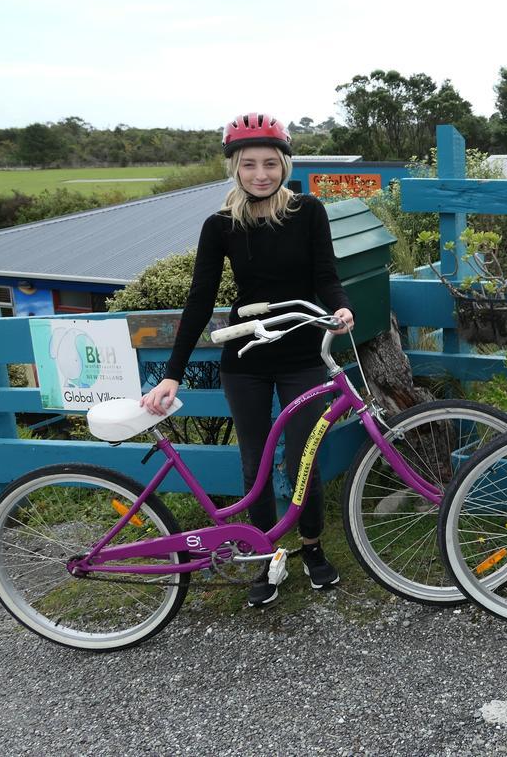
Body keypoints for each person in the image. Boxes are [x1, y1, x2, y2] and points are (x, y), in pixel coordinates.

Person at [141, 112, 355, 607]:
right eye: (249, 164)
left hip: (302, 349)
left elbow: (326, 274)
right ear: (235, 169)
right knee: (254, 462)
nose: (261, 174)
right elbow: (199, 299)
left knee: (305, 457)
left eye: (270, 164)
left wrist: (339, 305)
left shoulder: (309, 211)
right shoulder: (220, 225)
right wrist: (172, 373)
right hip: (247, 355)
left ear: (284, 164)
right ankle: (264, 556)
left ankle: (312, 548)